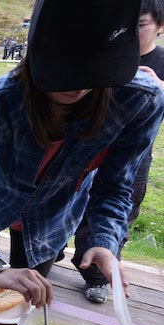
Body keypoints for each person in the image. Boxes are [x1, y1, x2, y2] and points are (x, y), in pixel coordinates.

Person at [0, 0, 164, 308]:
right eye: (66, 67)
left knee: (26, 306)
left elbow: (115, 188)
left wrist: (105, 241)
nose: (80, 84)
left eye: (94, 69)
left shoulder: (141, 100)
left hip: (51, 219)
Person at [71, 0, 164, 303]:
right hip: (90, 144)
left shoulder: (160, 63)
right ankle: (53, 245)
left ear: (160, 27)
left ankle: (97, 277)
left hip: (133, 154)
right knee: (70, 197)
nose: (130, 32)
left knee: (119, 206)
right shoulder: (106, 53)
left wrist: (158, 88)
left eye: (140, 25)